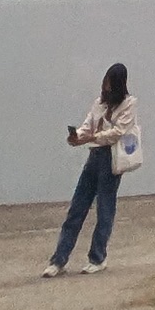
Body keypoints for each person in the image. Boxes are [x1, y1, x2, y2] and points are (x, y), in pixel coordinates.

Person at [41, 62, 140, 278]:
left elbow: (118, 132)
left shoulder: (129, 104)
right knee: (77, 208)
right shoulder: (99, 103)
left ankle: (97, 257)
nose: (106, 87)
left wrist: (92, 137)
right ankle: (58, 260)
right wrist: (76, 136)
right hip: (94, 156)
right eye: (105, 82)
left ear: (118, 84)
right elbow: (87, 126)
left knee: (105, 210)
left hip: (111, 158)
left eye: (110, 83)